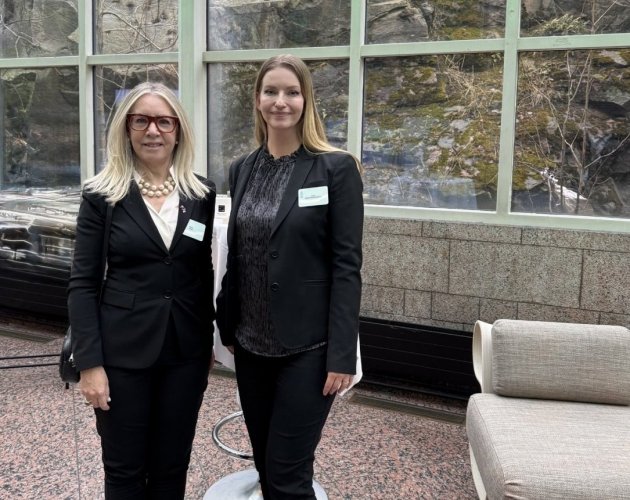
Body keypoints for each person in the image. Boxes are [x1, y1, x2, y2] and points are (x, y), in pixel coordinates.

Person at [216, 54, 363, 499]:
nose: (281, 101)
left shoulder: (336, 168)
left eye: (292, 92)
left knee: (287, 474)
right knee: (266, 464)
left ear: (306, 100)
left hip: (309, 348)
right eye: (271, 91)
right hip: (250, 344)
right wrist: (226, 325)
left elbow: (346, 265)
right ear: (258, 100)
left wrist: (342, 353)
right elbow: (239, 253)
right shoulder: (243, 168)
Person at [67, 82, 216, 499]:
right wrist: (89, 364)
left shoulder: (201, 193)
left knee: (172, 466)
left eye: (164, 121)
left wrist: (207, 341)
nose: (153, 130)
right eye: (141, 120)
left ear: (178, 130)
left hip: (185, 354)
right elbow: (83, 283)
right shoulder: (102, 195)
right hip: (121, 356)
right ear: (126, 128)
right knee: (124, 470)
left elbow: (201, 273)